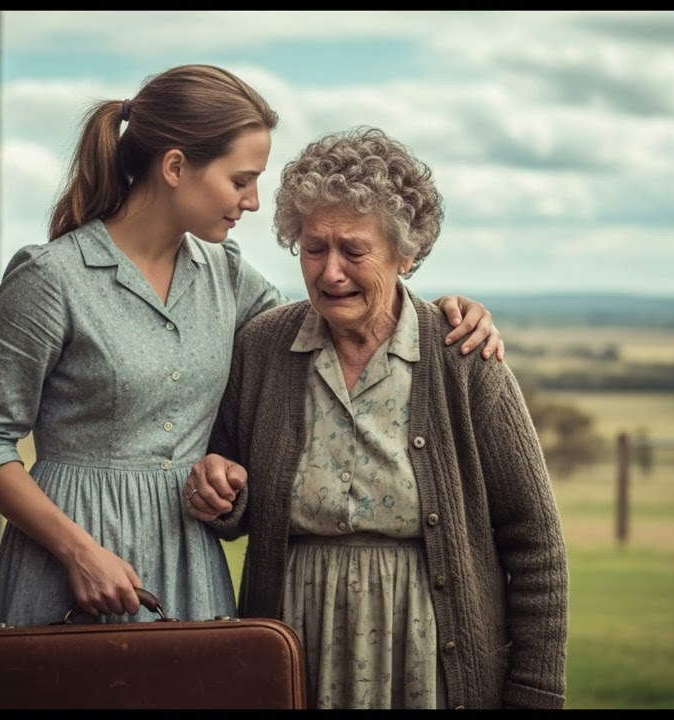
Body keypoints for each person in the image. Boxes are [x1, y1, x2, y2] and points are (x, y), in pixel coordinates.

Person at [0, 65, 507, 629]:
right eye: (241, 180)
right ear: (175, 167)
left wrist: (443, 315)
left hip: (188, 559)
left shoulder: (228, 276)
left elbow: (332, 319)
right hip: (67, 561)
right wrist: (78, 551)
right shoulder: (51, 278)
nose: (254, 201)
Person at [184, 127, 568, 709]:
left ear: (406, 255)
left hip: (429, 657)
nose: (330, 271)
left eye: (354, 251)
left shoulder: (462, 358)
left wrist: (536, 693)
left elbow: (535, 542)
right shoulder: (263, 347)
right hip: (294, 649)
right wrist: (221, 492)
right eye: (314, 248)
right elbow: (230, 490)